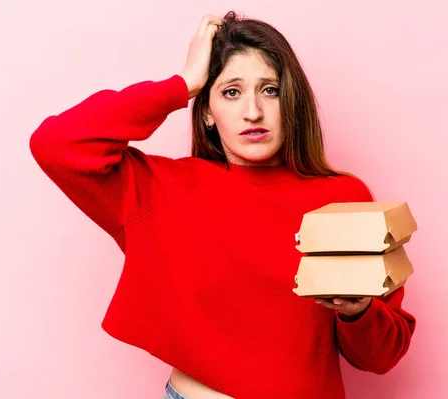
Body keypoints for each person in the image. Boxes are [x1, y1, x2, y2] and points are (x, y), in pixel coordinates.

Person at [29, 11, 416, 399]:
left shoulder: (344, 199)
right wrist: (182, 84)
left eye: (270, 89)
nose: (253, 111)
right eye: (232, 91)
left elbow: (382, 357)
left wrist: (358, 310)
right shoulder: (161, 190)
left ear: (292, 102)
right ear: (208, 111)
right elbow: (57, 144)